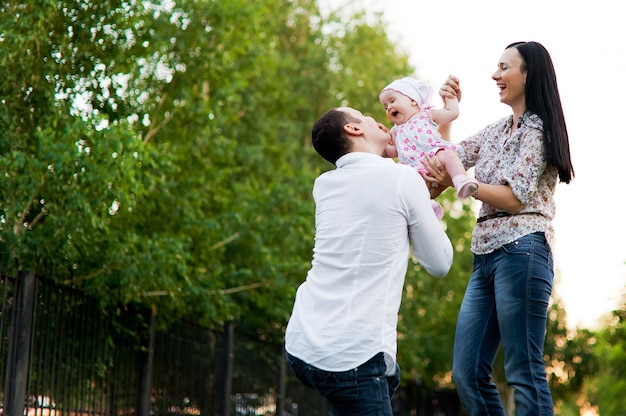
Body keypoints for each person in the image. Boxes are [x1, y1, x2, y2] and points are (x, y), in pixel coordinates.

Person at [424, 41, 575, 415]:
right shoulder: (495, 131)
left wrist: (468, 186)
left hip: (522, 251)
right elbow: (449, 158)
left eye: (504, 67)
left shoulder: (537, 129)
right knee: (467, 373)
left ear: (528, 74)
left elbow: (515, 196)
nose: (495, 75)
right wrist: (448, 116)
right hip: (485, 257)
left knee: (523, 370)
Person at [284, 106, 454, 416]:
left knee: (382, 377)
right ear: (353, 130)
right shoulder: (402, 179)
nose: (376, 118)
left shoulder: (325, 185)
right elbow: (439, 262)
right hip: (353, 356)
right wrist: (427, 204)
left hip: (303, 345)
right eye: (362, 114)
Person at [379, 77, 479, 219]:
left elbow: (452, 113)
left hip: (434, 155)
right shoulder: (396, 131)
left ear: (413, 100)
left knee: (449, 155)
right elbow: (392, 152)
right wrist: (383, 139)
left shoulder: (426, 114)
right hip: (414, 168)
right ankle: (425, 206)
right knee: (412, 186)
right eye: (385, 106)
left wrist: (451, 99)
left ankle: (461, 181)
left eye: (392, 101)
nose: (388, 107)